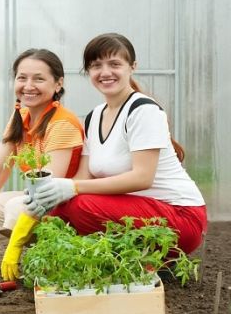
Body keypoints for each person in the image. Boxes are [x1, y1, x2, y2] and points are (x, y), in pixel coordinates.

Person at [28, 33, 207, 255]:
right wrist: (48, 196)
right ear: (88, 72)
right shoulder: (94, 117)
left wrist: (71, 188)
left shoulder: (143, 111)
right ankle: (119, 262)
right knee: (53, 216)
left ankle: (143, 261)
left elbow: (142, 177)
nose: (105, 72)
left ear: (132, 67)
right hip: (139, 214)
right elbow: (84, 177)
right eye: (96, 65)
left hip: (180, 217)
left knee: (78, 206)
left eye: (114, 64)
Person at [0, 49, 84, 281]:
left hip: (69, 203)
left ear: (58, 83)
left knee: (15, 208)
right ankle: (45, 252)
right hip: (46, 202)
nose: (28, 86)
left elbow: (46, 191)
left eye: (39, 79)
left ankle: (64, 251)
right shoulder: (21, 116)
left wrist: (15, 245)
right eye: (22, 78)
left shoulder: (62, 123)